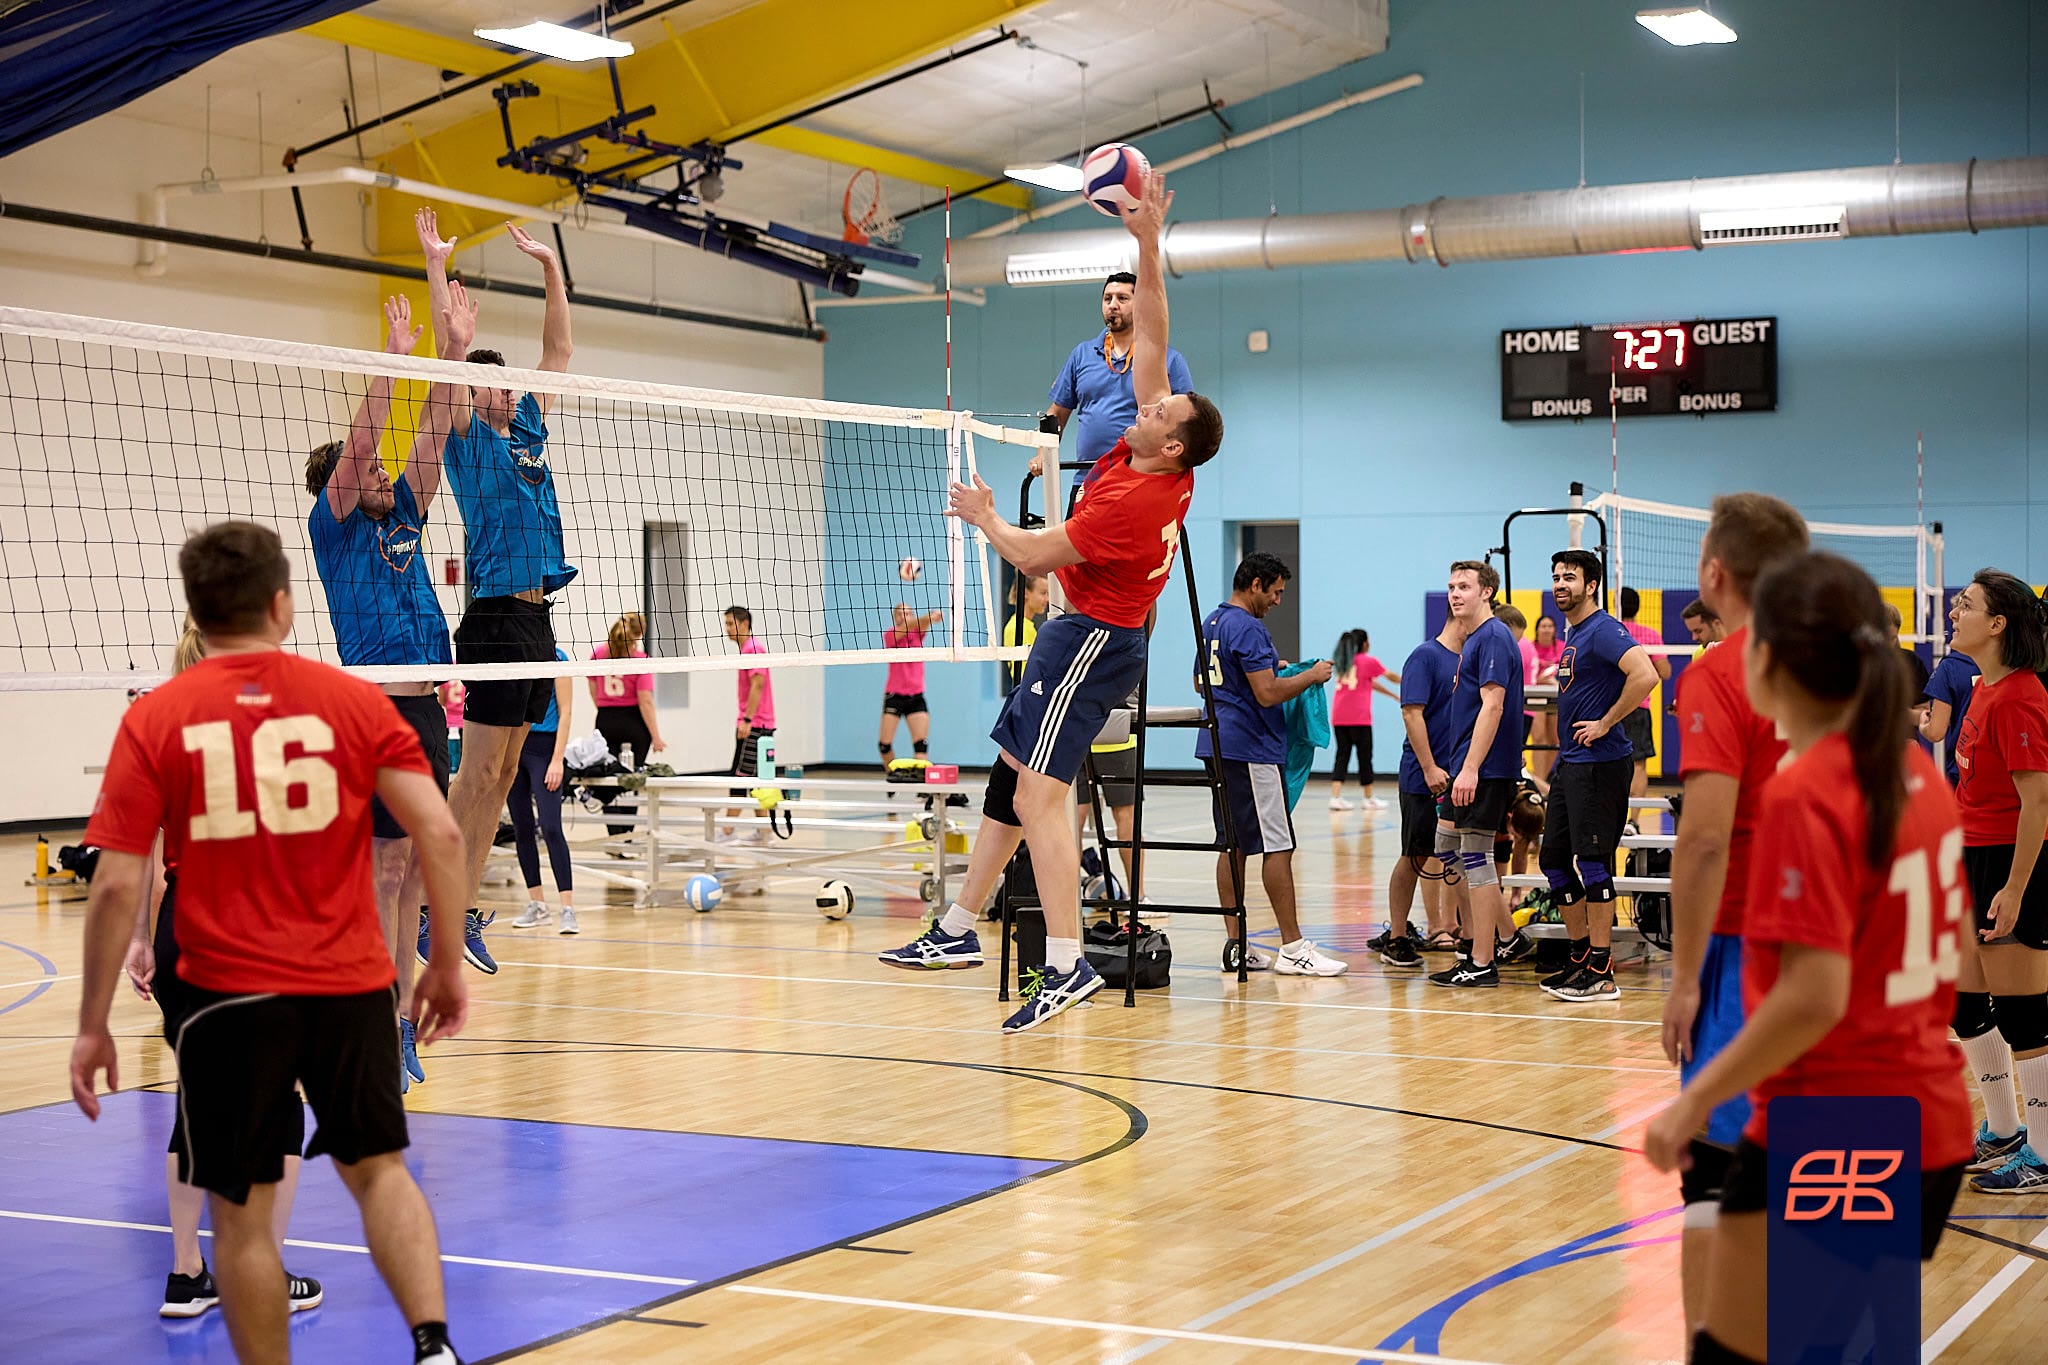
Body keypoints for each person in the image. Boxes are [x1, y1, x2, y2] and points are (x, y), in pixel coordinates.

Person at [71, 520, 470, 1365]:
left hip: (226, 990)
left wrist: (92, 1021)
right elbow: (440, 829)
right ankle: (433, 1347)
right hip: (349, 979)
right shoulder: (354, 700)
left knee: (244, 1218)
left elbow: (112, 883)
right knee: (380, 1170)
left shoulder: (156, 718)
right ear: (283, 604)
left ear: (196, 610)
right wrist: (439, 963)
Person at [880, 170, 1225, 1033]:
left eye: (1158, 407)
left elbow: (1035, 554)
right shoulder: (1153, 453)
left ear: (1170, 441)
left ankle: (1067, 963)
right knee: (1009, 779)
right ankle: (960, 926)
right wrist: (1147, 241)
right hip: (1085, 634)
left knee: (1041, 795)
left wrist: (986, 514)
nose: (1144, 402)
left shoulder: (1128, 502)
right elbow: (1153, 325)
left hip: (1091, 642)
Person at [1643, 552, 1975, 1365]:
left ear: (1771, 657)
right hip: (1923, 1113)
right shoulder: (1916, 771)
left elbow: (1814, 996)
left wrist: (1693, 1103)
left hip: (1838, 1119)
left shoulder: (1808, 785)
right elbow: (1952, 959)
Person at [120, 616, 323, 1319]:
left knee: (196, 1101)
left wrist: (142, 942)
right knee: (281, 1099)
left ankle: (187, 1274)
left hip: (184, 926)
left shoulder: (155, 721)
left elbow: (138, 854)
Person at [1658, 492, 1809, 1340]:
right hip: (1840, 955)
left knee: (1714, 1175)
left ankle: (1711, 1349)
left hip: (1749, 951)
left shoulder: (1721, 671)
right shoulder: (1851, 668)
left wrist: (1682, 981)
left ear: (1716, 573)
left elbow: (1705, 839)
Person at [416, 207, 577, 977]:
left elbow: (560, 347)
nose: (506, 395)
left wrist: (550, 267)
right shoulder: (468, 441)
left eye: (508, 387)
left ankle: (463, 905)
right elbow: (446, 382)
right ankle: (429, 904)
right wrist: (436, 275)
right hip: (489, 620)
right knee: (477, 774)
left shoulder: (530, 427)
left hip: (538, 621)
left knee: (505, 774)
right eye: (492, 389)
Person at [306, 291, 458, 1094]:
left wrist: (451, 354)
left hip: (424, 710)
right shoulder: (335, 529)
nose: (384, 471)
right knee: (379, 877)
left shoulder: (404, 514)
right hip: (372, 711)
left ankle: (398, 1024)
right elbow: (369, 433)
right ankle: (362, 1019)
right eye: (368, 466)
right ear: (339, 481)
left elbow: (428, 434)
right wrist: (392, 359)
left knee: (406, 879)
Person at [1945, 569, 2048, 1191]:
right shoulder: (1985, 687)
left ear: (1998, 624)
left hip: (2011, 861)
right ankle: (2005, 1129)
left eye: (1966, 605)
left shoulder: (2022, 697)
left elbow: (2037, 805)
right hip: (1971, 855)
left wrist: (2013, 889)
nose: (1956, 612)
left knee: (2025, 1017)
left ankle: (2043, 1152)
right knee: (1962, 1001)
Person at [1194, 554, 1345, 975]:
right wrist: (1311, 676)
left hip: (1216, 745)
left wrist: (1262, 670)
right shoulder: (1249, 626)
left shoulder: (1213, 623)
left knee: (1232, 844)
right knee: (1278, 844)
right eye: (1276, 591)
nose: (1278, 600)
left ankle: (1236, 944)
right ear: (1256, 584)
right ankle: (1293, 947)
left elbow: (1199, 680)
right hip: (1252, 749)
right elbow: (1268, 694)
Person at [1536, 550, 1660, 1003]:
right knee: (1553, 860)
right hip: (1572, 762)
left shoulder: (1605, 630)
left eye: (1569, 577)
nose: (1560, 584)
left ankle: (1602, 970)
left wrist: (1606, 722)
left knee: (1592, 863)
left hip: (1600, 764)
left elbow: (1645, 675)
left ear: (1592, 585)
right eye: (1555, 578)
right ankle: (1579, 959)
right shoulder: (1576, 635)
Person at [1428, 560, 1527, 988]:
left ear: (1486, 592)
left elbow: (1494, 705)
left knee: (1475, 857)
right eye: (1451, 586)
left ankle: (1482, 961)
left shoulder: (1492, 637)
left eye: (1464, 586)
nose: (1455, 593)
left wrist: (1470, 769)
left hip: (1483, 768)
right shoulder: (1475, 640)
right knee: (1446, 846)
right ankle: (1507, 936)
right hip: (1467, 765)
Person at [1375, 605, 1471, 966]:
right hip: (1423, 776)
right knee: (1415, 855)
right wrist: (1430, 767)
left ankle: (1470, 933)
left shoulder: (1470, 660)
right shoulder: (1426, 656)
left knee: (1462, 855)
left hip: (1460, 776)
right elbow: (1411, 713)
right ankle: (1397, 936)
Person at [1034, 270, 1195, 486]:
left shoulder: (1168, 359)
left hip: (1140, 479)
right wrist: (1042, 453)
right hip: (1087, 479)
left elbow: (1186, 422)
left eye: (1123, 298)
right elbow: (1056, 413)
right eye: (1107, 298)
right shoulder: (1082, 354)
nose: (1113, 305)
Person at [510, 648, 577, 935]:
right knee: (522, 828)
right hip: (515, 748)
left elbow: (566, 712)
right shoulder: (513, 656)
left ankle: (567, 908)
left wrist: (557, 759)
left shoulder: (557, 657)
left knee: (550, 827)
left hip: (545, 749)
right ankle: (537, 905)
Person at [589, 612, 665, 837]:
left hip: (605, 719)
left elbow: (593, 689)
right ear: (640, 633)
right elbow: (645, 701)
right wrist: (657, 736)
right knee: (631, 780)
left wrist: (606, 711)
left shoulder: (598, 654)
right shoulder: (640, 660)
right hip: (633, 723)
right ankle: (627, 837)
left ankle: (614, 835)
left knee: (608, 779)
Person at [1327, 628, 1399, 812]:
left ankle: (1335, 797)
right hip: (1359, 718)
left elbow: (1368, 683)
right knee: (1365, 757)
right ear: (1365, 643)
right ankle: (1368, 798)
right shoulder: (1368, 661)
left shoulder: (1345, 661)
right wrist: (1409, 680)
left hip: (1339, 717)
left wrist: (1391, 695)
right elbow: (1389, 676)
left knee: (1342, 755)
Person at [724, 605, 775, 843]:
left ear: (744, 624)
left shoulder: (753, 648)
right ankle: (764, 832)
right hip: (758, 724)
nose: (727, 629)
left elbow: (758, 685)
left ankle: (727, 831)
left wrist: (747, 720)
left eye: (731, 624)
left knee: (740, 777)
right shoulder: (747, 649)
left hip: (755, 725)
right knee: (757, 779)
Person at [1617, 586, 1673, 799]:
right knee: (1639, 764)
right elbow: (1665, 671)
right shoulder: (1649, 634)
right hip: (1639, 707)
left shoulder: (1612, 631)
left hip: (1612, 707)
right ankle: (1634, 821)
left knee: (1610, 763)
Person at [880, 602, 945, 769]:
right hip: (895, 695)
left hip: (916, 696)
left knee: (921, 745)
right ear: (895, 618)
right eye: (901, 613)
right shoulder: (891, 635)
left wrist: (932, 618)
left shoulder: (917, 634)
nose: (905, 616)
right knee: (884, 745)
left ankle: (921, 790)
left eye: (908, 613)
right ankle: (891, 774)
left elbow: (921, 624)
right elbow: (914, 624)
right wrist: (929, 617)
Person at [1920, 644, 1979, 786]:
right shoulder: (2006, 666)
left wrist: (1923, 724)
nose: (1953, 622)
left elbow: (1935, 732)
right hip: (1999, 769)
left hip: (1963, 772)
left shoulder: (1950, 666)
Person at [1529, 611, 1564, 786]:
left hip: (1556, 698)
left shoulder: (1562, 647)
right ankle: (1540, 782)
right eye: (1543, 626)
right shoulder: (1531, 648)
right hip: (1535, 697)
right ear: (1537, 630)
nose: (1547, 629)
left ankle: (1542, 778)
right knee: (1540, 738)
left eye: (1550, 626)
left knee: (1554, 740)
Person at [1003, 574, 1048, 689]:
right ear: (1026, 593)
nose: (1047, 599)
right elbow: (1024, 675)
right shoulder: (1016, 628)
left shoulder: (1029, 626)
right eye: (1043, 593)